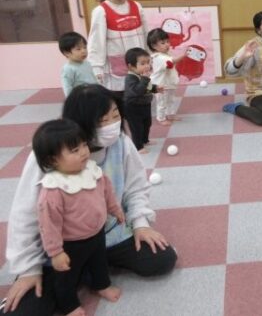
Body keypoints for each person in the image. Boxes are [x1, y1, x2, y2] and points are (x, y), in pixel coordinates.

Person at [2, 84, 177, 316]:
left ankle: (89, 271)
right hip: (61, 248)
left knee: (161, 259)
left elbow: (136, 187)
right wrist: (28, 269)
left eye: (115, 115)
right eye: (103, 120)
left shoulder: (121, 143)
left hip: (107, 235)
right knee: (20, 312)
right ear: (80, 123)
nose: (113, 125)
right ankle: (81, 272)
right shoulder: (48, 154)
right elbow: (25, 214)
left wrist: (141, 224)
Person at [33, 119, 125, 316]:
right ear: (52, 160)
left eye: (84, 145)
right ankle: (70, 306)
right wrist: (55, 252)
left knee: (99, 262)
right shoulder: (54, 189)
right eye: (75, 150)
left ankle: (102, 285)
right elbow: (48, 225)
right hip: (71, 243)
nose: (84, 152)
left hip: (97, 232)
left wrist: (115, 209)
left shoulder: (92, 171)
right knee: (66, 276)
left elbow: (107, 192)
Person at [87, 0, 146, 94]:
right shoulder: (100, 11)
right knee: (121, 98)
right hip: (116, 70)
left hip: (139, 66)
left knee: (142, 97)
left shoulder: (137, 6)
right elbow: (96, 43)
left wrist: (151, 58)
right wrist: (96, 68)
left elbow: (146, 34)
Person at [123, 48, 162, 153]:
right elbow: (137, 91)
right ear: (131, 66)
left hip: (145, 104)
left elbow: (146, 88)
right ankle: (138, 147)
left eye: (148, 62)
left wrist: (155, 88)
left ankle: (145, 140)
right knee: (137, 127)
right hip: (133, 107)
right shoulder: (130, 78)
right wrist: (145, 79)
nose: (147, 66)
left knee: (147, 123)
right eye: (143, 63)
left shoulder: (141, 76)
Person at [147, 28, 181, 126]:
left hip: (168, 83)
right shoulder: (158, 57)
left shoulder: (165, 55)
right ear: (154, 46)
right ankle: (161, 118)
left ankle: (170, 114)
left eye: (167, 42)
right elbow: (172, 62)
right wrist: (184, 55)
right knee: (162, 102)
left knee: (170, 100)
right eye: (163, 43)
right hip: (160, 85)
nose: (167, 44)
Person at [58, 32, 97, 97]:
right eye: (78, 49)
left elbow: (93, 79)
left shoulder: (87, 63)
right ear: (67, 53)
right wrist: (71, 100)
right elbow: (67, 87)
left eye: (84, 47)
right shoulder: (68, 69)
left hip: (93, 95)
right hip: (81, 98)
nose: (83, 51)